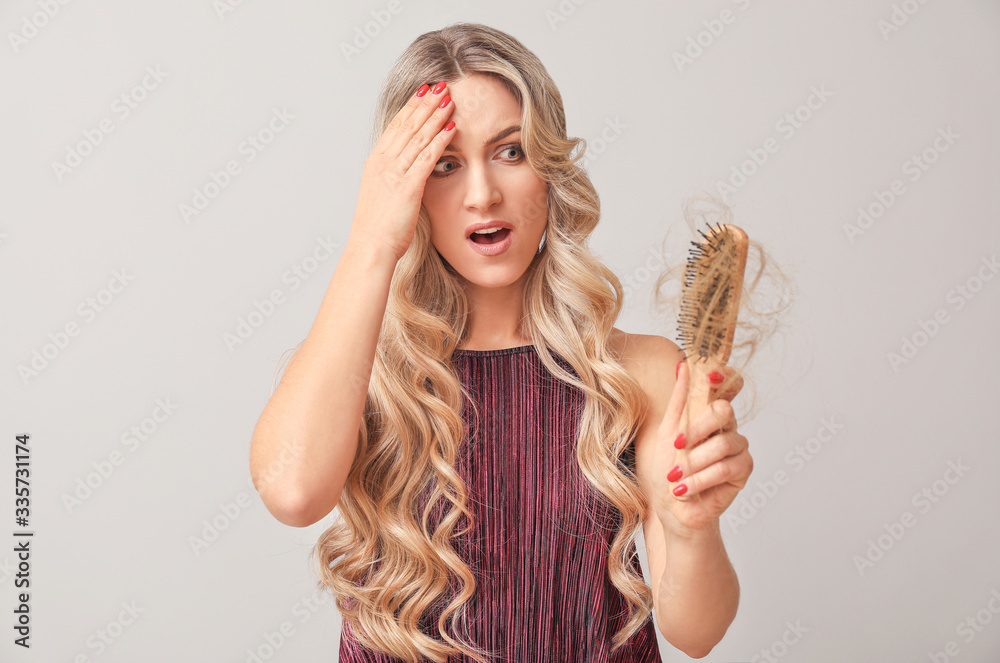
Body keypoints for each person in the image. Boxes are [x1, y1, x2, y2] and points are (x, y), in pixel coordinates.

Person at [249, 22, 753, 663]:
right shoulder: (356, 372)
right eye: (445, 165)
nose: (483, 195)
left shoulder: (643, 373)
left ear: (549, 171)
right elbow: (292, 492)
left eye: (510, 152)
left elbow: (697, 632)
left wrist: (690, 531)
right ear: (407, 188)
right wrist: (373, 241)